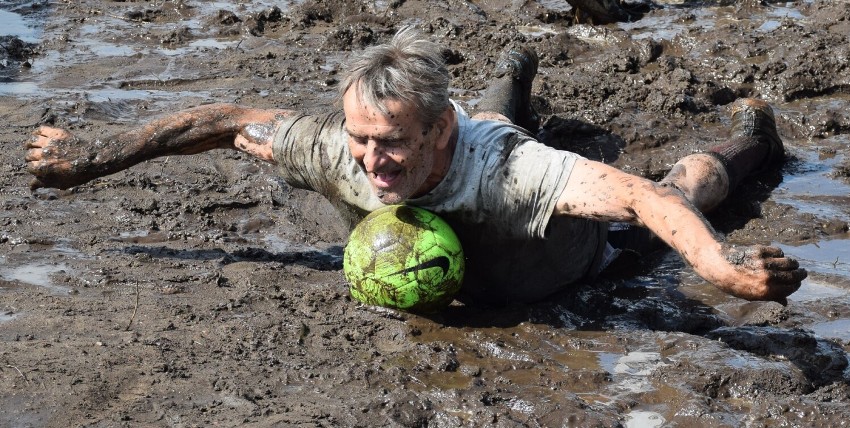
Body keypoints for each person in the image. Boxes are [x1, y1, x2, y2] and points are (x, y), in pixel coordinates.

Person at [25, 27, 806, 305]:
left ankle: (758, 139)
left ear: (437, 133)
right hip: (476, 134)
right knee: (495, 112)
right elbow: (222, 121)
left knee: (682, 184)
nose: (372, 162)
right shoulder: (342, 146)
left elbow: (642, 201)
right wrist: (87, 161)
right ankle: (516, 70)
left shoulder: (513, 171)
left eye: (391, 143)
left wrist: (721, 269)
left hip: (570, 262)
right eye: (363, 139)